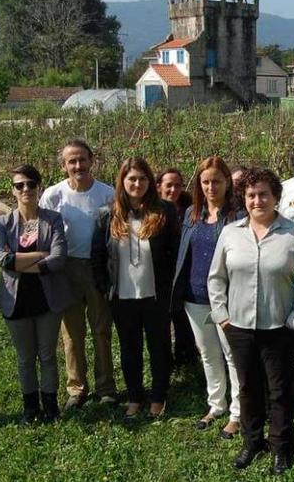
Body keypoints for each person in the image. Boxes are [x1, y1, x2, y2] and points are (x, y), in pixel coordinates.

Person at [208, 168, 294, 474]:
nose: (257, 200)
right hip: (239, 326)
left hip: (279, 327)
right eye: (251, 195)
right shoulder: (231, 233)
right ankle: (251, 442)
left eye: (264, 195)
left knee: (279, 390)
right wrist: (222, 316)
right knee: (247, 387)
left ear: (276, 198)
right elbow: (216, 278)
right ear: (243, 198)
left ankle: (280, 446)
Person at [91, 158, 179, 419]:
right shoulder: (107, 214)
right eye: (132, 179)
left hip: (155, 295)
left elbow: (174, 252)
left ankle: (159, 396)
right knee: (130, 348)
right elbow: (97, 256)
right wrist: (105, 289)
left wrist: (170, 287)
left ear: (150, 182)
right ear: (122, 182)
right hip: (123, 295)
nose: (137, 184)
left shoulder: (164, 211)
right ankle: (134, 396)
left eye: (142, 178)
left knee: (159, 346)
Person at [39, 139, 117, 409]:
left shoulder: (107, 193)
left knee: (101, 329)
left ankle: (106, 387)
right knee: (72, 333)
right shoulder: (53, 195)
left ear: (91, 160)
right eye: (72, 161)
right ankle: (77, 388)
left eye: (82, 159)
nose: (78, 165)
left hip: (97, 267)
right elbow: (44, 234)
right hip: (67, 269)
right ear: (64, 166)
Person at [0, 165, 73, 424]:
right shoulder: (3, 223)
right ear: (13, 190)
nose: (26, 189)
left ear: (39, 187)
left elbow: (59, 259)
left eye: (30, 184)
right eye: (20, 185)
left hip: (46, 299)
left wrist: (20, 261)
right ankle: (30, 408)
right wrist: (41, 255)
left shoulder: (53, 219)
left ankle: (50, 406)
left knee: (48, 355)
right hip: (16, 301)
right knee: (25, 358)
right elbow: (4, 260)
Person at [172, 156, 242, 439]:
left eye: (216, 181)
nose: (211, 187)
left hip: (227, 298)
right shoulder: (192, 213)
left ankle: (238, 411)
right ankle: (217, 404)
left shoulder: (236, 216)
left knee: (232, 355)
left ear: (227, 182)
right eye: (205, 182)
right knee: (208, 354)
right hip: (195, 296)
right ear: (199, 185)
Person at [156, 167, 198, 368]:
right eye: (168, 185)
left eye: (177, 185)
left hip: (185, 271)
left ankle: (187, 358)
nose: (173, 189)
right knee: (163, 319)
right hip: (161, 273)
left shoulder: (190, 210)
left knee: (183, 317)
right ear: (158, 187)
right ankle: (165, 362)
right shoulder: (153, 211)